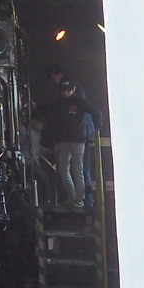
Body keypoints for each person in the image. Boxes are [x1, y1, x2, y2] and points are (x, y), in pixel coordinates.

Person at [44, 68, 93, 208]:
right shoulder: (62, 101)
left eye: (67, 90)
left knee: (78, 169)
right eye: (63, 91)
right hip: (69, 138)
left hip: (78, 138)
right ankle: (75, 198)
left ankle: (81, 200)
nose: (65, 93)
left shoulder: (78, 99)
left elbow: (93, 113)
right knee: (67, 169)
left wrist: (92, 130)